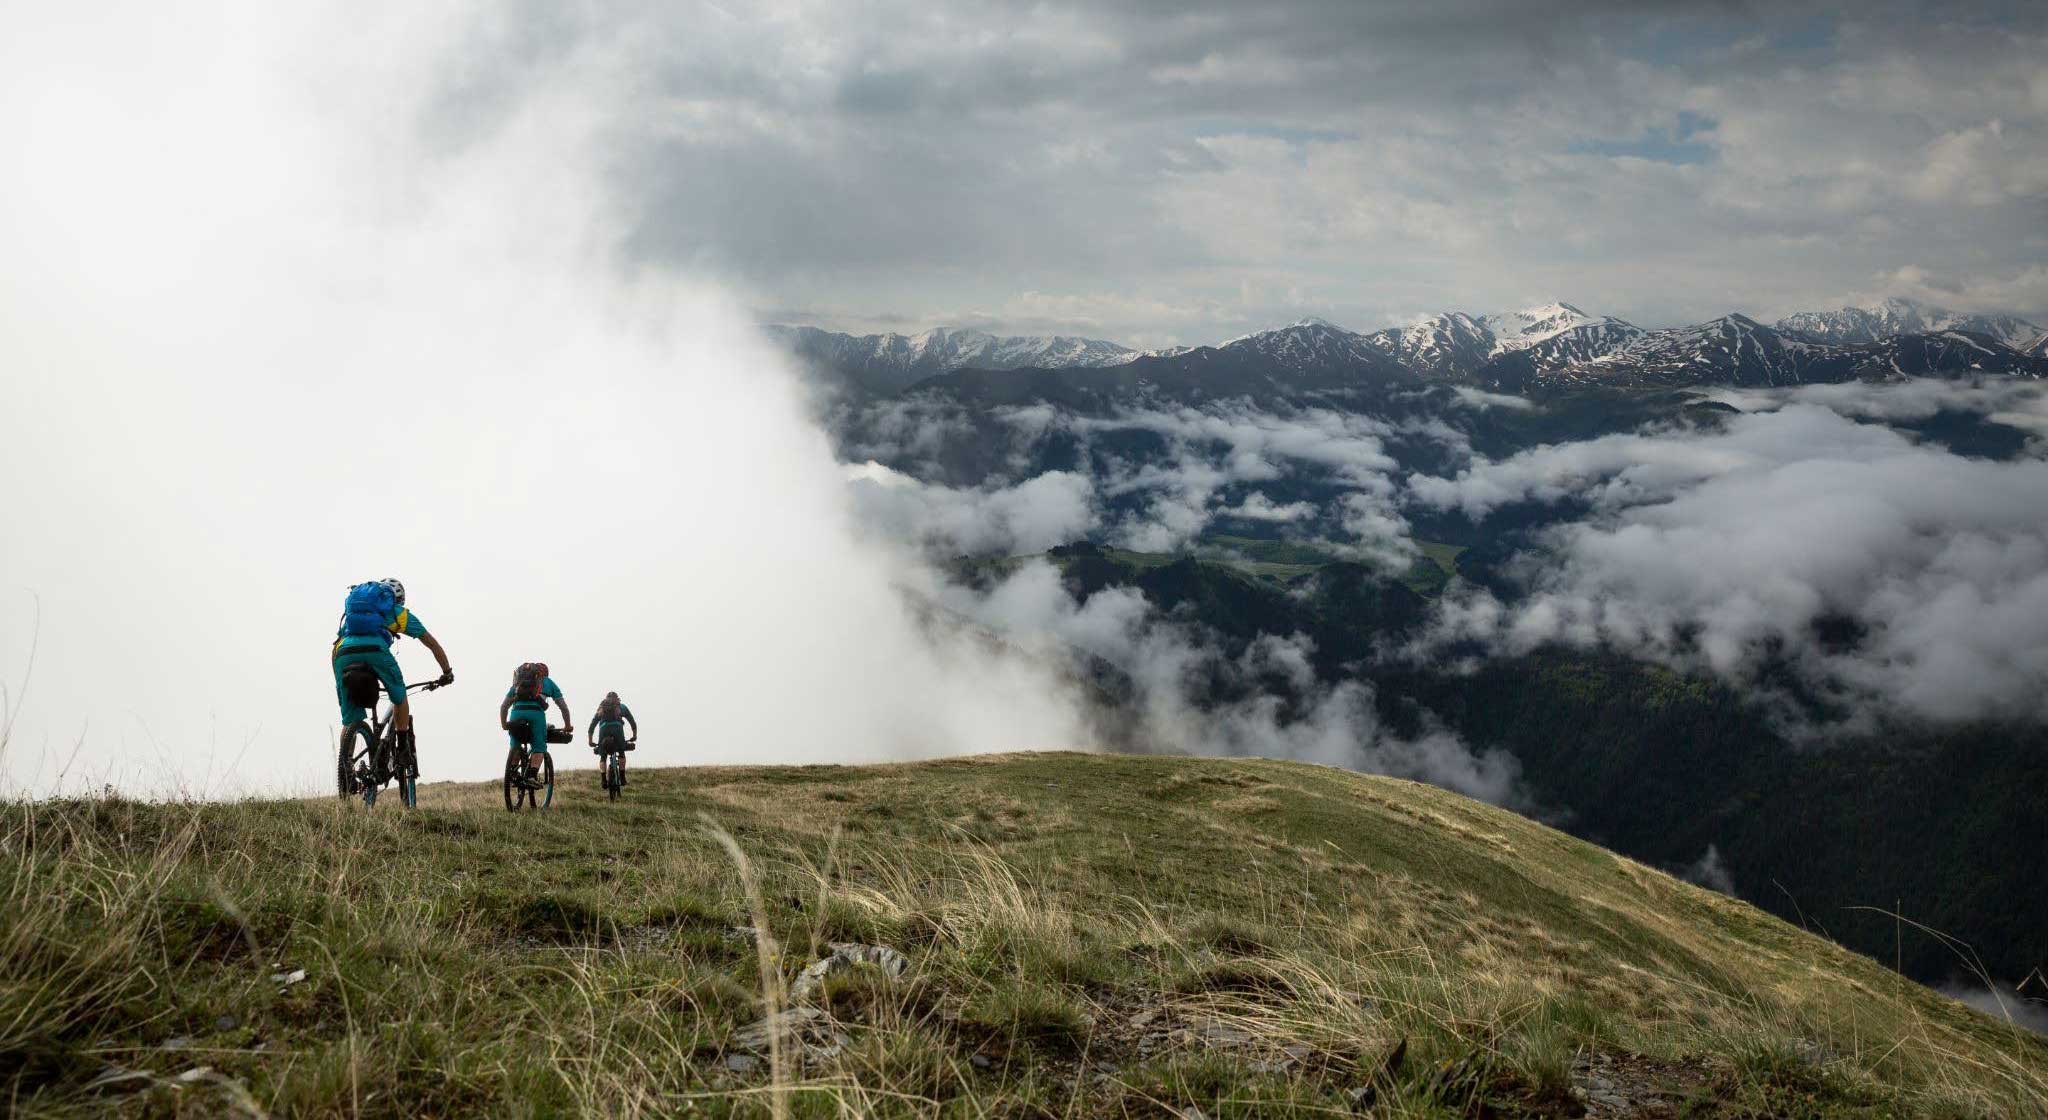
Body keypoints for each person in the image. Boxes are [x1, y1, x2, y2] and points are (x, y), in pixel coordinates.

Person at [331, 578, 453, 764]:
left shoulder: (353, 617)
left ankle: (345, 766)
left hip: (343, 654)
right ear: (397, 599)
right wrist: (446, 671)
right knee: (399, 696)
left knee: (350, 720)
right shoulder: (398, 613)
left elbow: (336, 647)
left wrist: (339, 681)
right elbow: (430, 642)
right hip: (376, 651)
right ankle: (402, 749)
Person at [500, 662, 570, 787]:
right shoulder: (547, 682)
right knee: (539, 746)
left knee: (515, 743)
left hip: (516, 713)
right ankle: (531, 776)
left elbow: (504, 706)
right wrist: (567, 725)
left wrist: (504, 724)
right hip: (536, 714)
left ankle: (513, 773)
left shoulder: (518, 683)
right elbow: (563, 707)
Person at [587, 691, 638, 784]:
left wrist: (590, 740)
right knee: (621, 752)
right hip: (617, 728)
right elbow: (632, 721)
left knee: (603, 756)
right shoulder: (622, 707)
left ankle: (603, 780)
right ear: (617, 699)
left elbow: (592, 725)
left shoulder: (601, 708)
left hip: (604, 729)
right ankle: (622, 778)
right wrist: (634, 735)